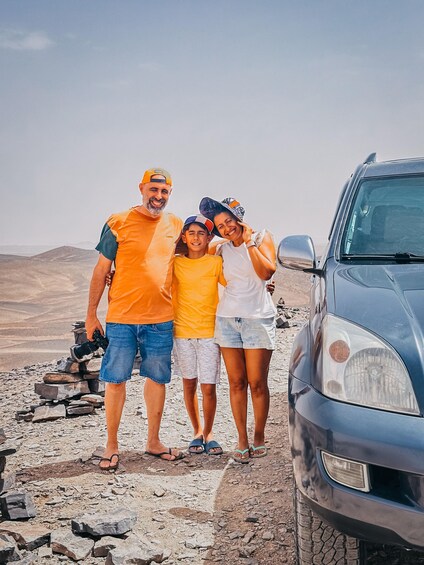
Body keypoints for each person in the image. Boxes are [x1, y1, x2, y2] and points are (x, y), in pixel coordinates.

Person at [85, 167, 184, 470]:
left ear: (170, 193)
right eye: (153, 190)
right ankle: (111, 445)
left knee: (157, 380)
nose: (158, 196)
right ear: (141, 189)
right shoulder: (117, 223)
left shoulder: (176, 225)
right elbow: (102, 271)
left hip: (161, 319)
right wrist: (91, 315)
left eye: (164, 191)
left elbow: (199, 249)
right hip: (122, 319)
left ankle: (153, 442)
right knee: (115, 381)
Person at [199, 197, 277, 463]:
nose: (225, 228)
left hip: (257, 319)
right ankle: (241, 438)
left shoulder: (262, 237)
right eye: (220, 225)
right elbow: (190, 254)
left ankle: (259, 436)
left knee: (257, 383)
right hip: (227, 320)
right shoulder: (218, 249)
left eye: (229, 221)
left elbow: (266, 272)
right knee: (236, 383)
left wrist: (248, 241)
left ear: (240, 219)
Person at [172, 214, 226, 455]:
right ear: (184, 236)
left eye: (201, 233)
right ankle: (196, 431)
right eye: (191, 233)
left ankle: (209, 432)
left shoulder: (215, 263)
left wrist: (265, 286)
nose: (196, 237)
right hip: (182, 333)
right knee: (189, 383)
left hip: (209, 333)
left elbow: (235, 284)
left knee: (208, 387)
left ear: (208, 238)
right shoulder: (174, 263)